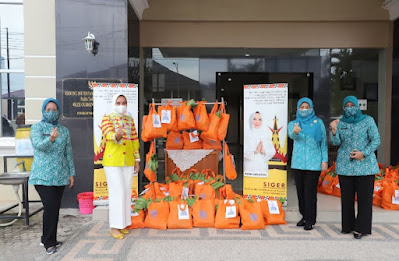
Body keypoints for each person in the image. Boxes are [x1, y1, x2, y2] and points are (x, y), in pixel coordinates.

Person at [29, 98, 75, 255]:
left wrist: (71, 173)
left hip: (60, 175)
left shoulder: (64, 130)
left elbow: (68, 152)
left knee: (54, 208)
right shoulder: (37, 128)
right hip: (42, 176)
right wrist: (50, 139)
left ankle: (48, 238)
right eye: (48, 109)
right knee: (50, 208)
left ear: (58, 111)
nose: (51, 112)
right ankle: (49, 243)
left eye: (54, 109)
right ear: (43, 111)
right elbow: (38, 146)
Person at [330, 96, 380, 239]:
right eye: (347, 105)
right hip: (345, 167)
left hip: (365, 167)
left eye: (352, 105)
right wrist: (334, 130)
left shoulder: (368, 120)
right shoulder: (340, 122)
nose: (350, 108)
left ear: (357, 106)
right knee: (346, 199)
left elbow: (376, 139)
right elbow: (336, 142)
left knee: (364, 200)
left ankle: (361, 228)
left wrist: (363, 153)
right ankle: (348, 226)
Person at [101, 94, 140, 239]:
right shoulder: (107, 117)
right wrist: (116, 135)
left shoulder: (129, 119)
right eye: (118, 102)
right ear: (114, 103)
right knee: (117, 193)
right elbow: (108, 134)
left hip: (128, 160)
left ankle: (123, 223)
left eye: (124, 102)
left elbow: (135, 140)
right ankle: (114, 227)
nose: (121, 105)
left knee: (126, 192)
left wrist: (137, 160)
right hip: (113, 161)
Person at [288, 98, 328, 230]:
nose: (304, 109)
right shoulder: (294, 124)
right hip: (298, 163)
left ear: (311, 108)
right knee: (300, 192)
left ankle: (311, 219)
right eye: (302, 107)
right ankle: (304, 216)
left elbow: (323, 142)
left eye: (307, 107)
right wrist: (295, 132)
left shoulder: (318, 123)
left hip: (314, 163)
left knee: (310, 192)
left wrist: (324, 160)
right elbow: (291, 135)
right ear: (298, 109)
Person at [244, 111, 276, 175]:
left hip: (262, 167)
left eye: (260, 119)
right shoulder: (247, 135)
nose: (257, 122)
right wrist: (255, 151)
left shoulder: (266, 135)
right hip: (250, 167)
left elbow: (272, 151)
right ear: (251, 120)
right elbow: (244, 151)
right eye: (254, 119)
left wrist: (264, 151)